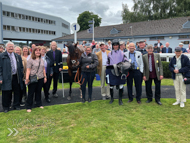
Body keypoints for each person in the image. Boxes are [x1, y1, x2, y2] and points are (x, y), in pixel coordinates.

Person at [0, 41, 24, 113]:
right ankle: (6, 107)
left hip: (16, 77)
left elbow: (21, 67)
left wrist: (21, 75)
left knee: (17, 92)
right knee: (6, 92)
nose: (11, 48)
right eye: (9, 46)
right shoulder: (1, 56)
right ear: (6, 48)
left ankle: (16, 105)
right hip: (6, 77)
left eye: (12, 47)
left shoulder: (17, 56)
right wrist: (0, 77)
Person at [106, 39, 128, 105]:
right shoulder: (110, 53)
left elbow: (126, 61)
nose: (115, 46)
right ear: (112, 46)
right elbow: (107, 62)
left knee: (121, 85)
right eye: (114, 45)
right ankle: (112, 99)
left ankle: (120, 100)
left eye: (116, 45)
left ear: (118, 46)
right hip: (112, 70)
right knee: (111, 85)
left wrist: (122, 65)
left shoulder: (122, 53)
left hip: (120, 70)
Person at [25, 46, 47, 112]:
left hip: (40, 78)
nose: (38, 52)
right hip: (32, 78)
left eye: (39, 50)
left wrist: (45, 77)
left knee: (38, 91)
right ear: (34, 52)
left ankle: (39, 104)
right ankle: (29, 106)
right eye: (36, 50)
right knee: (31, 93)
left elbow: (43, 69)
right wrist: (27, 79)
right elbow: (28, 70)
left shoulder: (42, 59)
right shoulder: (30, 60)